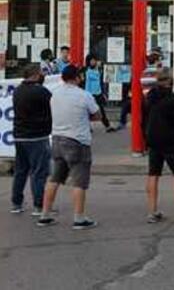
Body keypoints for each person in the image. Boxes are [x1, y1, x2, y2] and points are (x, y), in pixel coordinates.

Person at [37, 65, 100, 229]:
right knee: (79, 181)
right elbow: (97, 114)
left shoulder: (54, 94)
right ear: (76, 77)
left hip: (57, 139)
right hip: (77, 141)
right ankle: (79, 218)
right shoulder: (84, 95)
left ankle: (45, 214)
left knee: (54, 178)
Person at [143, 68, 174, 223]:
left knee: (153, 174)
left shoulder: (150, 96)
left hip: (153, 140)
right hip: (172, 141)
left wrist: (145, 137)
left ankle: (152, 210)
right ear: (170, 81)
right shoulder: (172, 98)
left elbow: (144, 118)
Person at [11, 65, 52, 216]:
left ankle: (16, 203)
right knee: (39, 172)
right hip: (37, 136)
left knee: (21, 171)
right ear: (35, 75)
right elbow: (52, 107)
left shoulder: (17, 90)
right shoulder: (41, 91)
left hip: (20, 135)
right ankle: (38, 205)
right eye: (41, 73)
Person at [84, 54, 112, 132]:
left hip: (98, 93)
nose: (93, 62)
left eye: (94, 60)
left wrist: (104, 93)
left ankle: (107, 126)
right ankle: (87, 126)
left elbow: (101, 81)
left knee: (101, 110)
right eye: (91, 60)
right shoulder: (86, 70)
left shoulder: (98, 70)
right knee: (87, 111)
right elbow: (91, 78)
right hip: (89, 93)